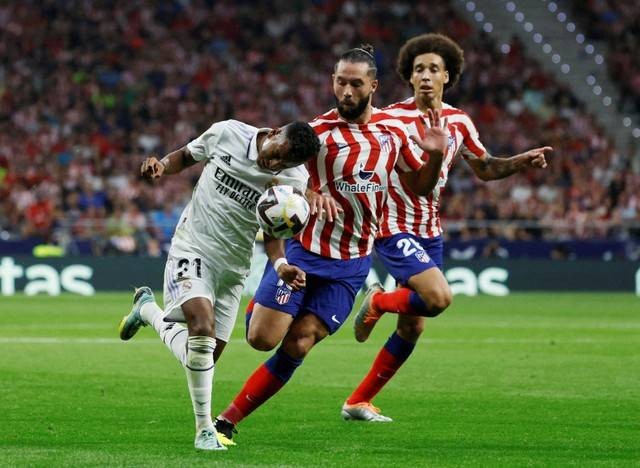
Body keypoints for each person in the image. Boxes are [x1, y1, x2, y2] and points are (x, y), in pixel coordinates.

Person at [213, 44, 449, 445]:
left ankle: (226, 422)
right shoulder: (315, 133)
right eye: (341, 82)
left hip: (351, 264)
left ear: (373, 85)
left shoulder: (393, 133)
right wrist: (310, 189)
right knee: (260, 340)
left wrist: (435, 157)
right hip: (303, 254)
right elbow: (274, 175)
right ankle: (260, 307)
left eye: (356, 83)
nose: (347, 91)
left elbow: (420, 188)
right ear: (333, 83)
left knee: (300, 342)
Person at [346, 33, 552, 421]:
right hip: (392, 225)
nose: (425, 76)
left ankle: (357, 401)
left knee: (412, 328)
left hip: (429, 229)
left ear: (447, 76)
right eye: (419, 69)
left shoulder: (459, 121)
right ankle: (377, 301)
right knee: (439, 298)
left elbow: (485, 166)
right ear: (409, 76)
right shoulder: (389, 118)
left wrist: (521, 161)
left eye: (434, 70)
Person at [117, 118, 320, 450]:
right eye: (276, 154)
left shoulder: (292, 178)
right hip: (193, 245)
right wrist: (161, 166)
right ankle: (204, 431)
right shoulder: (228, 133)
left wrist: (281, 264)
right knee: (201, 327)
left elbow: (273, 232)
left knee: (201, 356)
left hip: (233, 267)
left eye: (286, 162)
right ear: (271, 134)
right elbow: (186, 155)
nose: (275, 164)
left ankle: (148, 311)